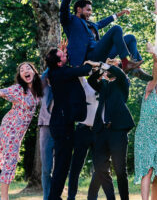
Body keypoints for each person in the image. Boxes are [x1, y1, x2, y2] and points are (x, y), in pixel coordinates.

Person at [60, 0, 150, 80]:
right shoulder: (70, 21)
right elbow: (64, 8)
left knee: (130, 38)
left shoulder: (92, 25)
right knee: (116, 29)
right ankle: (126, 63)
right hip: (88, 57)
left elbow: (103, 22)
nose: (90, 13)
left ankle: (136, 68)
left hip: (101, 54)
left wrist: (119, 14)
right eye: (88, 10)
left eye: (91, 11)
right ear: (79, 9)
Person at [46, 48, 93, 200]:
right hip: (61, 125)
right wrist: (89, 60)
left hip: (62, 123)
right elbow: (85, 70)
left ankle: (55, 196)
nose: (66, 53)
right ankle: (54, 197)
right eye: (63, 55)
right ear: (59, 63)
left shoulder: (57, 71)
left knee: (62, 164)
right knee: (62, 164)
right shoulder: (62, 72)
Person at [86, 59, 134, 200]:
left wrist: (103, 64)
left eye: (113, 63)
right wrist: (101, 70)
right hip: (101, 131)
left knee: (120, 170)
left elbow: (119, 73)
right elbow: (91, 82)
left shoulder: (122, 82)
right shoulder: (103, 85)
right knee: (100, 168)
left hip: (117, 130)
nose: (110, 64)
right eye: (109, 63)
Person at [0, 62, 43, 200]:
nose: (25, 71)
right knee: (10, 161)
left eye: (28, 68)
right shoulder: (18, 89)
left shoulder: (38, 88)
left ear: (34, 72)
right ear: (20, 76)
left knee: (8, 159)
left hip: (19, 132)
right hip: (10, 127)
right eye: (22, 70)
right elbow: (1, 92)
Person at [134, 49, 157, 200]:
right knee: (147, 169)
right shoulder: (148, 91)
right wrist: (156, 63)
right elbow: (154, 77)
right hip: (144, 134)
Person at [67, 77, 99, 200]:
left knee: (99, 167)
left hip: (98, 131)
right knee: (76, 166)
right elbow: (79, 70)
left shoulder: (106, 84)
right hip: (83, 130)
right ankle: (71, 197)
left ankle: (92, 197)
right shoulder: (85, 83)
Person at [38, 69, 54, 200]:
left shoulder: (66, 87)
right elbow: (43, 76)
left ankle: (55, 195)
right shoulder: (44, 87)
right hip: (46, 127)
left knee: (61, 167)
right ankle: (46, 197)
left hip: (63, 128)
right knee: (46, 168)